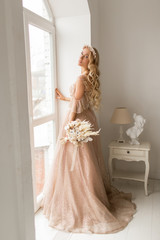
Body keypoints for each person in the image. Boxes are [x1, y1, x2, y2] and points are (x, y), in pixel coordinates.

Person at [41, 45, 136, 234]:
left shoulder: (80, 78)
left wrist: (68, 128)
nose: (81, 58)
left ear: (90, 61)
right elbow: (80, 100)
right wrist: (65, 99)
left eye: (85, 56)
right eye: (81, 54)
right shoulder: (89, 78)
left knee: (77, 163)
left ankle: (81, 200)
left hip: (78, 121)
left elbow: (77, 106)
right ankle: (88, 194)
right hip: (88, 118)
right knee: (86, 162)